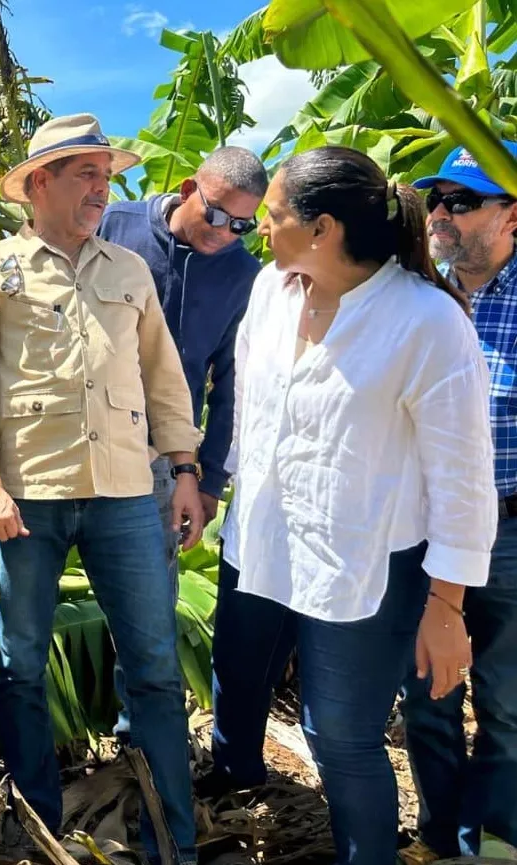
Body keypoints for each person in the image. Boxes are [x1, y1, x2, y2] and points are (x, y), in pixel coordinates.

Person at [209, 146, 496, 865]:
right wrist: (222, 488)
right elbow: (249, 405)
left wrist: (447, 606)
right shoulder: (274, 293)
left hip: (365, 563)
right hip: (264, 536)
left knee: (340, 734)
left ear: (322, 228)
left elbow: (463, 478)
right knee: (238, 675)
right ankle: (234, 787)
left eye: (272, 216)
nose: (260, 230)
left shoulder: (425, 321)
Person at [0, 114, 204, 863]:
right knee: (22, 661)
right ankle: (38, 829)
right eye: (85, 173)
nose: (102, 187)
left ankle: (170, 839)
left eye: (105, 173)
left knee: (153, 666)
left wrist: (183, 468)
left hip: (127, 490)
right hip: (29, 494)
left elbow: (163, 375)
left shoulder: (128, 271)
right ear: (38, 184)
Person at [98, 145, 265, 741]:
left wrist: (209, 479)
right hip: (79, 446)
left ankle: (138, 743)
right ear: (192, 187)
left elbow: (231, 387)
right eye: (218, 214)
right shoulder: (114, 224)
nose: (227, 233)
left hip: (164, 463)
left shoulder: (244, 275)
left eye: (244, 224)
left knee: (150, 613)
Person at [399, 143, 517, 858]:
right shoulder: (416, 298)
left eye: (462, 201)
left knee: (505, 700)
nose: (440, 213)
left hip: (509, 534)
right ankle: (444, 836)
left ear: (512, 217)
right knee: (427, 691)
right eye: (436, 199)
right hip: (425, 530)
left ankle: (494, 838)